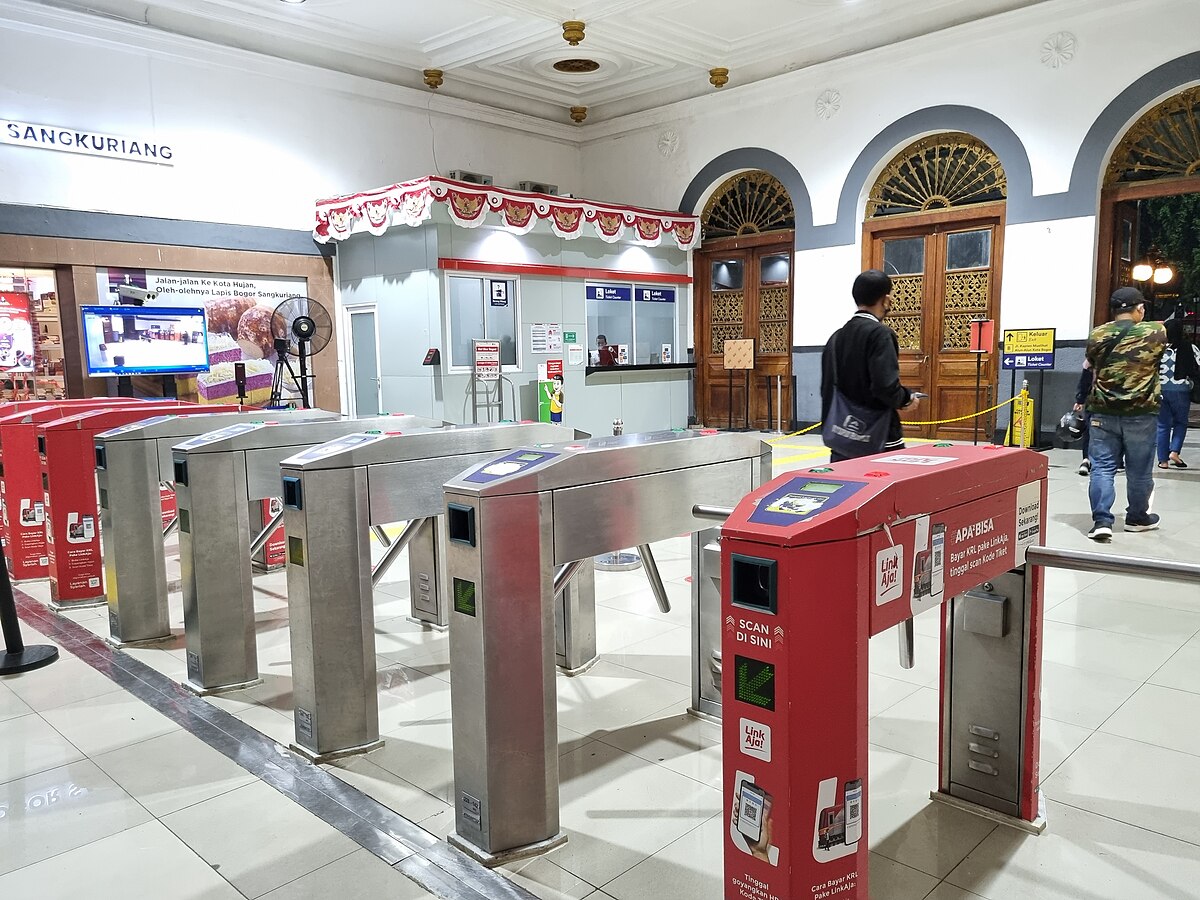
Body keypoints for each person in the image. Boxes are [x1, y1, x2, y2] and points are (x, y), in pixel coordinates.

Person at [1084, 286, 1168, 542]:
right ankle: (1137, 518)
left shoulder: (1097, 334)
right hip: (1141, 413)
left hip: (1103, 412)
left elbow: (1091, 365)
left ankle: (1101, 521)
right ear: (1139, 309)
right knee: (1140, 470)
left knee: (1102, 468)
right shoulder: (1156, 331)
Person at [820, 269, 920, 462]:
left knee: (849, 490)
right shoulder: (880, 334)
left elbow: (827, 388)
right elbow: (885, 387)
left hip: (842, 438)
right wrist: (906, 398)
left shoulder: (836, 337)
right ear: (886, 299)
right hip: (879, 438)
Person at [1157, 318, 1200, 469]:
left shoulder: (1158, 348)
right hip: (1181, 390)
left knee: (1162, 425)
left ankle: (1163, 461)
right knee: (1180, 422)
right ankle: (1174, 451)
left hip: (1161, 390)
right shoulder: (1190, 347)